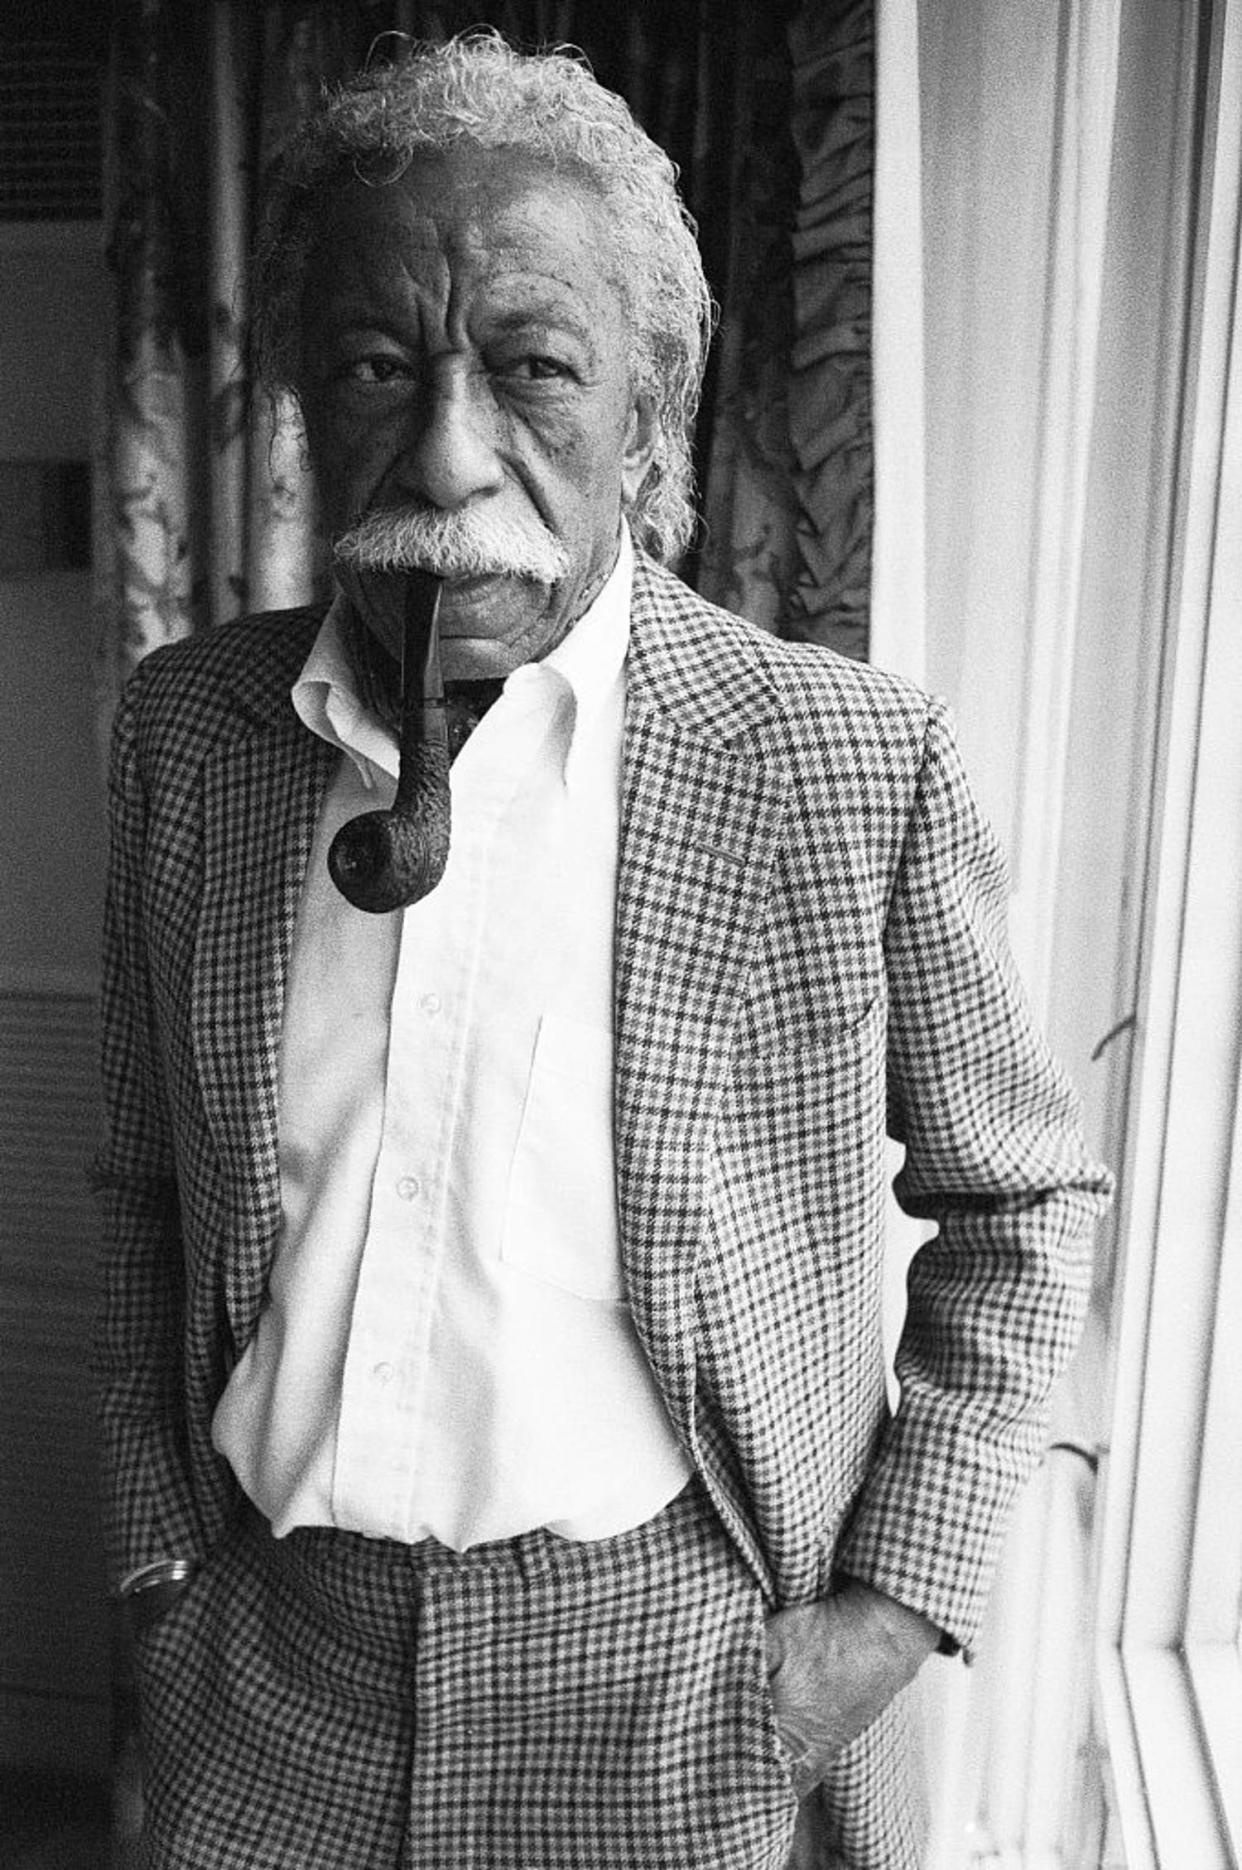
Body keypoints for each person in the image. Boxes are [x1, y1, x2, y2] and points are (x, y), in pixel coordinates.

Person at [94, 31, 1112, 1870]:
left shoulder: (838, 757)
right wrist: (156, 1569)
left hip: (676, 1688)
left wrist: (879, 1617)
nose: (450, 451)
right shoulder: (191, 733)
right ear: (307, 402)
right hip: (268, 1670)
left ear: (650, 409)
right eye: (378, 368)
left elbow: (1019, 1203)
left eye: (531, 372)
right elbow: (139, 1185)